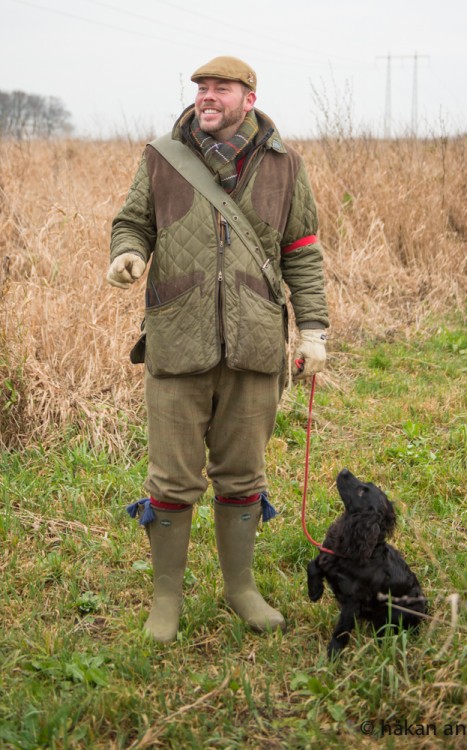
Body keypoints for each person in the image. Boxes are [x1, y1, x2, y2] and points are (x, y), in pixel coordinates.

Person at [107, 56, 329, 643]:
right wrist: (126, 253)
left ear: (248, 98)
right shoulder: (161, 157)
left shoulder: (285, 164)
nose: (207, 96)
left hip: (256, 343)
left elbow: (302, 250)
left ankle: (240, 590)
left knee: (243, 475)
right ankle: (165, 600)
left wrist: (314, 332)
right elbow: (132, 221)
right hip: (177, 340)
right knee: (172, 481)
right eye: (201, 88)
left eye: (220, 89)